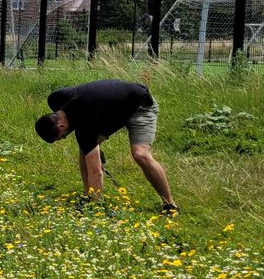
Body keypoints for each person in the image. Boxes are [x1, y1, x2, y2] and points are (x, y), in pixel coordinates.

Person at [34, 78, 177, 213]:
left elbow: (96, 171)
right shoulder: (56, 99)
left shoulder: (85, 124)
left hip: (139, 105)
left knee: (141, 154)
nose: (65, 137)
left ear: (61, 125)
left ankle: (169, 204)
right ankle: (88, 195)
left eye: (62, 136)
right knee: (87, 151)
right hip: (110, 113)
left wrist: (96, 212)